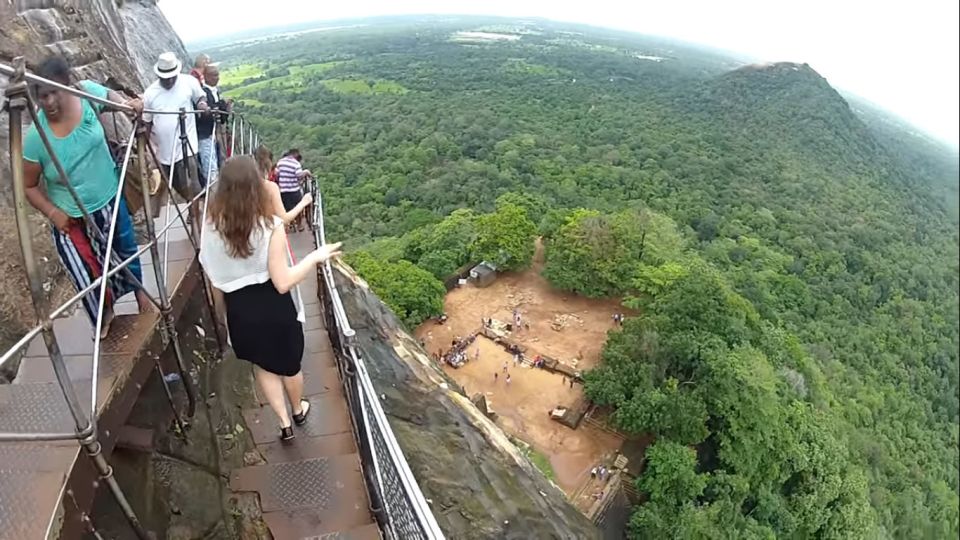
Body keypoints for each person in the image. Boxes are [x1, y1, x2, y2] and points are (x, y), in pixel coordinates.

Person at [200, 156, 341, 441]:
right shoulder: (269, 226)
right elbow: (283, 282)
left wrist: (220, 315)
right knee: (289, 366)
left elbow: (213, 280)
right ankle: (298, 409)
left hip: (238, 309)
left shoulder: (211, 228)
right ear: (257, 187)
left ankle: (283, 423)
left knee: (263, 365)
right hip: (274, 307)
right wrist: (314, 256)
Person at [23, 55, 152, 337]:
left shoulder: (87, 94)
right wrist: (54, 213)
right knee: (86, 271)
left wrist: (132, 105)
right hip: (70, 217)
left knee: (125, 248)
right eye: (42, 95)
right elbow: (29, 186)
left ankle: (143, 297)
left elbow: (111, 97)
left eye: (54, 92)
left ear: (68, 85)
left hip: (108, 197)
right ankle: (105, 316)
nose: (49, 102)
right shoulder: (36, 137)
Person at [142, 52, 209, 226]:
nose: (170, 81)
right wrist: (143, 147)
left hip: (188, 147)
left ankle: (195, 219)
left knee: (191, 184)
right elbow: (147, 122)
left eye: (172, 77)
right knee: (177, 186)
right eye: (166, 78)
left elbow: (200, 96)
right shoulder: (150, 94)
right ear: (158, 75)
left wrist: (202, 103)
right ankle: (192, 207)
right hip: (165, 152)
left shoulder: (189, 82)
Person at [196, 63, 229, 184]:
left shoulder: (214, 91)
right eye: (214, 75)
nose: (218, 78)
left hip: (213, 134)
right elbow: (205, 113)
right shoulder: (203, 92)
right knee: (210, 166)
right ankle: (212, 194)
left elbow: (221, 115)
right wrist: (221, 106)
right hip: (205, 134)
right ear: (206, 76)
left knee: (216, 161)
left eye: (218, 74)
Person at [275, 149, 312, 232]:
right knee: (298, 207)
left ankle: (288, 224)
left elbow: (277, 174)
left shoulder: (280, 162)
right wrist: (306, 172)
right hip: (294, 190)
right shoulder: (296, 164)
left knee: (286, 208)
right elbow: (299, 175)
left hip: (283, 190)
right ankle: (299, 225)